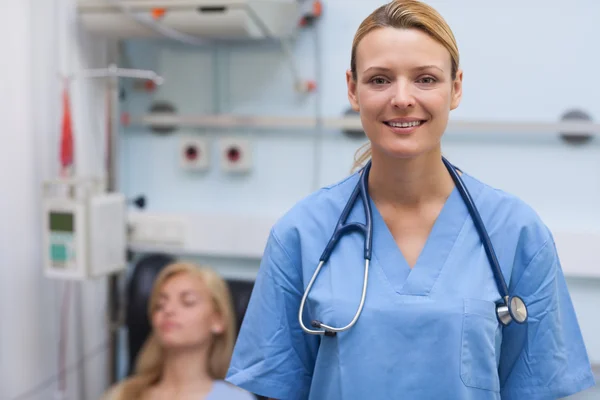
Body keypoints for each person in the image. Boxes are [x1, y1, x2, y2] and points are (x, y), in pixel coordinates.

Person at [224, 1, 596, 399]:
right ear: (352, 89)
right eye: (380, 80)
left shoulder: (515, 231)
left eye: (425, 79)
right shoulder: (302, 233)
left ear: (455, 89)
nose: (402, 98)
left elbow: (538, 387)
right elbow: (275, 389)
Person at [102, 262, 255, 400]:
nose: (168, 310)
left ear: (217, 320)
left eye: (187, 302)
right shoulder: (123, 394)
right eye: (160, 305)